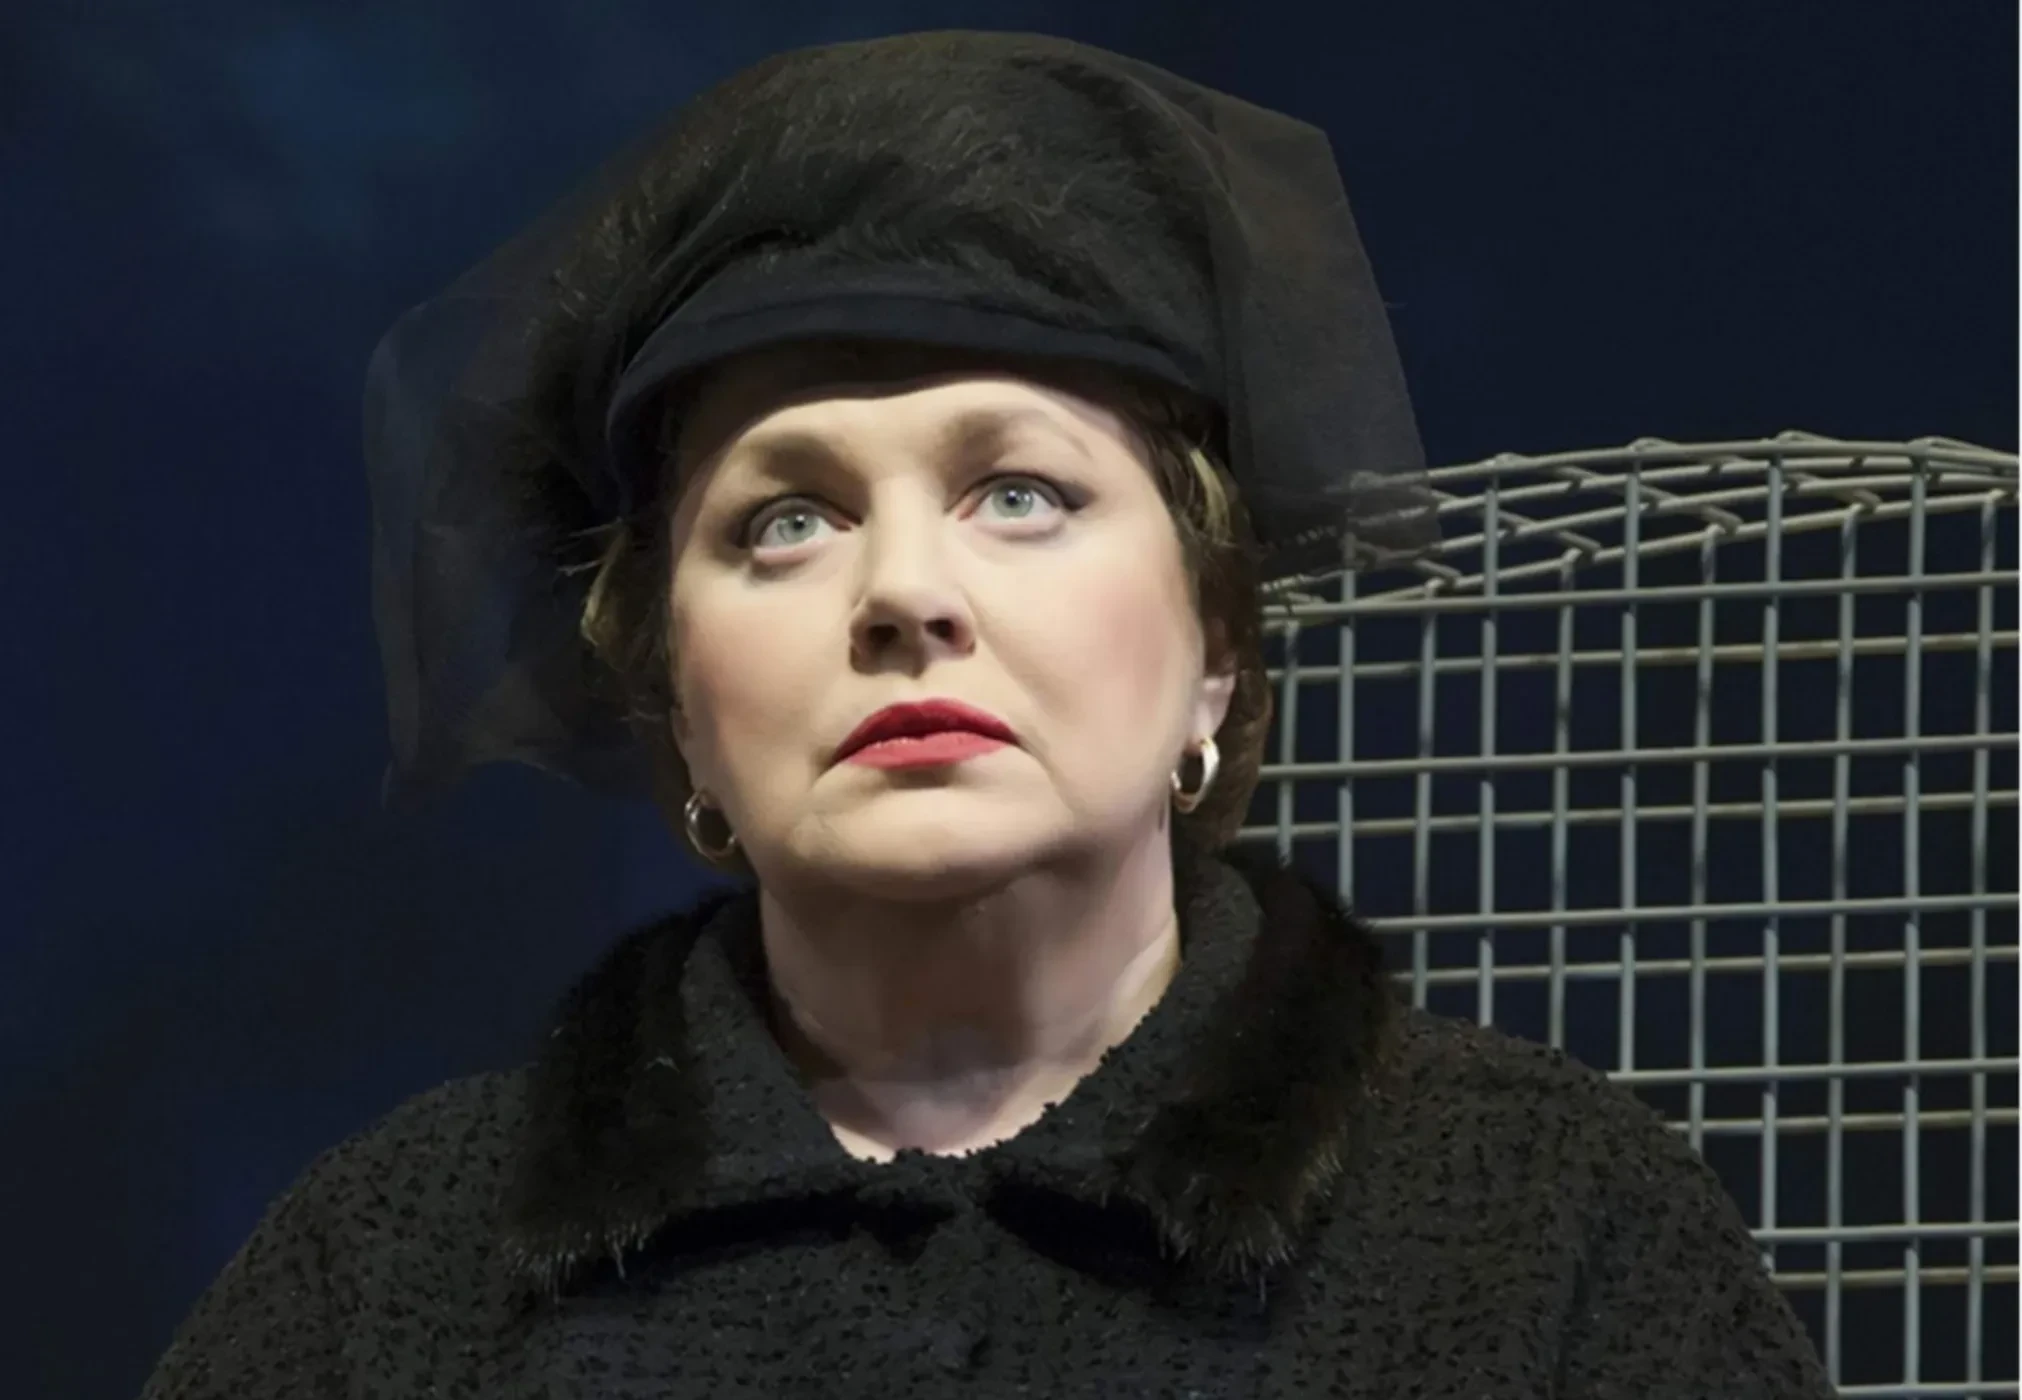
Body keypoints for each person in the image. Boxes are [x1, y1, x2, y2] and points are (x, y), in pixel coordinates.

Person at [141, 30, 1834, 1398]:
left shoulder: (1539, 1226)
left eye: (1018, 493)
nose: (902, 591)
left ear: (1216, 645)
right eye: (782, 521)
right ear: (671, 694)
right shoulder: (398, 1270)